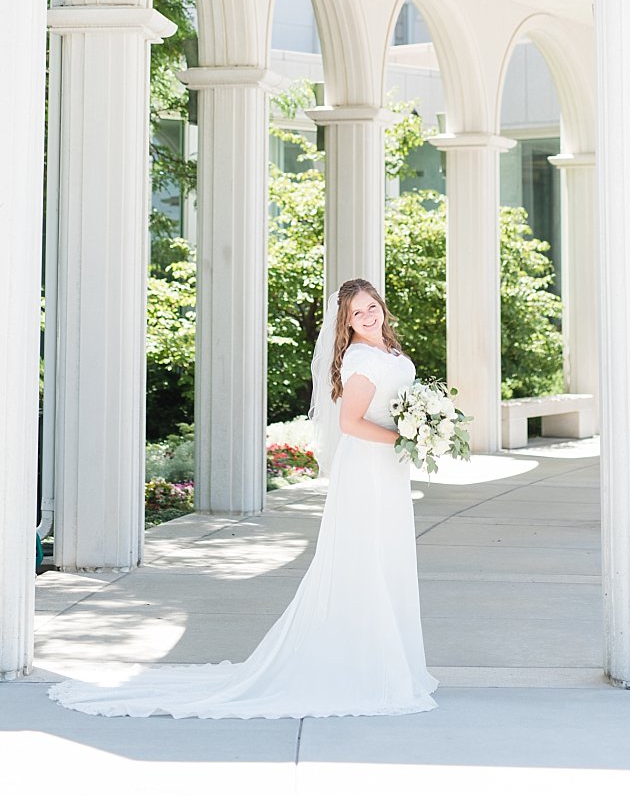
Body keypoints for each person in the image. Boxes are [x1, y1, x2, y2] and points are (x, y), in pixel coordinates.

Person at [46, 277, 438, 719]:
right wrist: (404, 436)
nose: (368, 317)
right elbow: (350, 423)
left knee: (389, 557)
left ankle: (392, 664)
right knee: (365, 559)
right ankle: (369, 671)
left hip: (389, 465)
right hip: (368, 465)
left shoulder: (390, 351)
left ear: (381, 307)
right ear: (346, 324)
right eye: (357, 314)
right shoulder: (362, 359)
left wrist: (421, 432)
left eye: (371, 307)